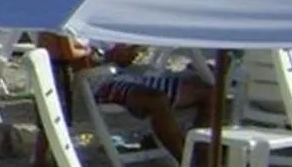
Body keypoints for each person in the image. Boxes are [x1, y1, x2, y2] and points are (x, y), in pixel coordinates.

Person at [38, 33, 216, 158]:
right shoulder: (63, 24)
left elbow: (112, 55)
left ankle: (202, 154)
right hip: (98, 82)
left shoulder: (93, 16)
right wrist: (104, 56)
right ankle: (185, 160)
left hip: (126, 73)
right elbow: (67, 55)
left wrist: (124, 52)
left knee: (209, 93)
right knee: (156, 100)